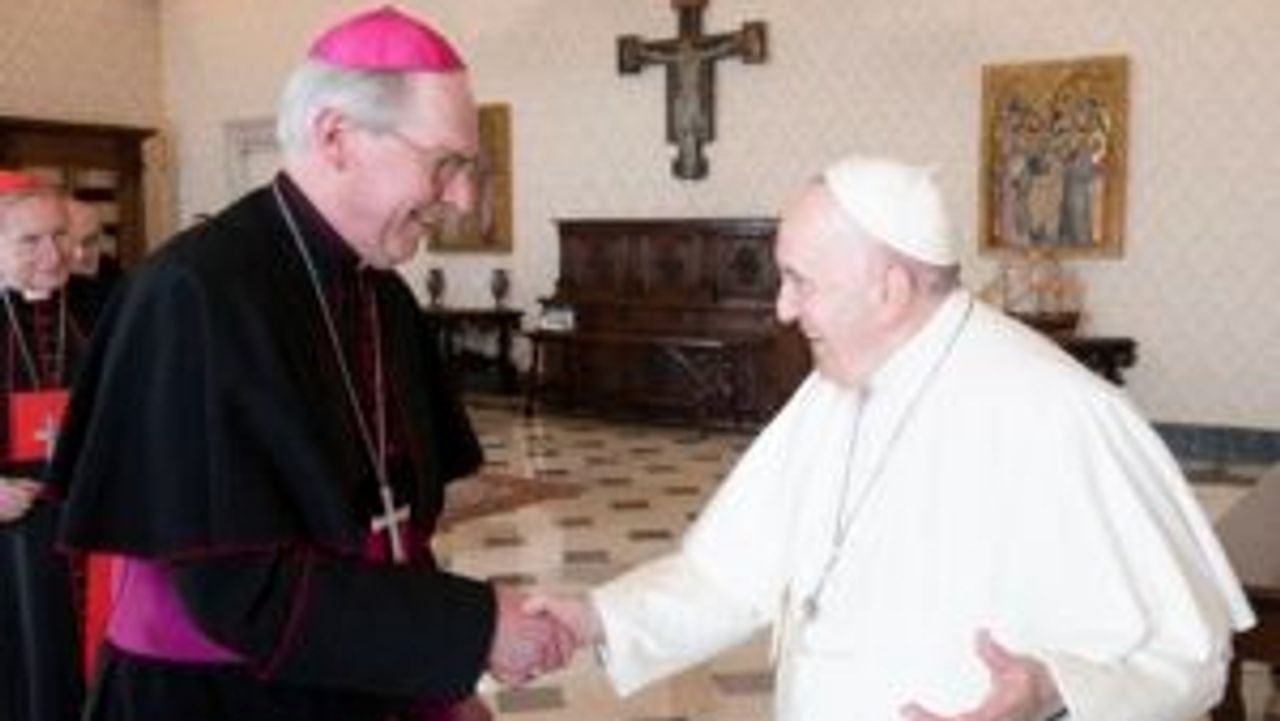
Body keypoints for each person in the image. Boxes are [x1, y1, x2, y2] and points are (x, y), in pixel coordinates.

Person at [529, 156, 1256, 721]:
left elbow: (1188, 653)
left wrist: (1050, 688)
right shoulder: (837, 386)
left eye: (799, 281)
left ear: (890, 288)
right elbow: (734, 570)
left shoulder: (1058, 410)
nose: (782, 308)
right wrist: (601, 616)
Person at [49, 7, 571, 721]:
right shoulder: (191, 296)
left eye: (468, 168)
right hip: (220, 701)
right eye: (445, 163)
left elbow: (395, 528)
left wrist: (438, 682)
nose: (463, 198)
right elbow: (237, 589)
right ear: (336, 137)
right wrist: (471, 629)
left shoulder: (380, 294)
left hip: (365, 676)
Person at [0, 170, 85, 721]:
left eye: (59, 235)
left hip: (81, 526)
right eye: (30, 241)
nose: (52, 255)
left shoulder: (93, 308)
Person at [63, 199, 123, 323]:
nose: (81, 255)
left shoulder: (120, 280)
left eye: (89, 241)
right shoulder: (45, 289)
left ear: (101, 237)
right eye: (71, 243)